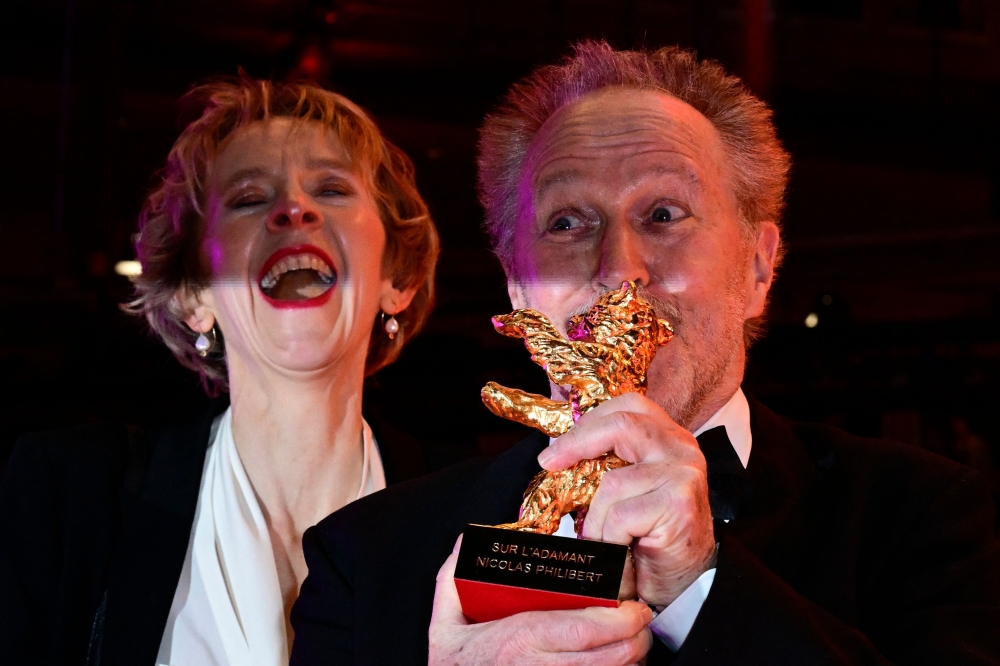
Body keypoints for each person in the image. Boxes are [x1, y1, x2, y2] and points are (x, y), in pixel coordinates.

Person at [289, 41, 1000, 665]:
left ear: (759, 267)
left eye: (663, 215)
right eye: (567, 221)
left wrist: (698, 585)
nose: (617, 267)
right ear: (516, 286)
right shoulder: (368, 557)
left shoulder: (925, 517)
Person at [0, 77, 448, 665]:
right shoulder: (72, 495)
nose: (295, 208)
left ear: (398, 279)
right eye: (248, 198)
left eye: (333, 189)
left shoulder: (470, 517)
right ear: (193, 295)